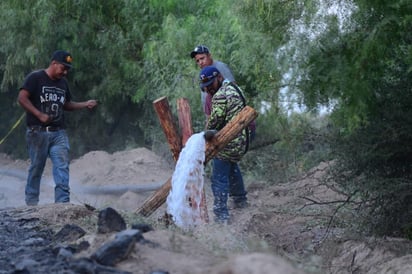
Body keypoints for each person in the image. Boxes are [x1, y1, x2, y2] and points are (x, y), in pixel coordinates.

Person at [17, 50, 98, 206]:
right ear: (54, 64)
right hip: (37, 132)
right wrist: (39, 115)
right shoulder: (35, 78)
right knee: (36, 168)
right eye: (63, 68)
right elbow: (22, 98)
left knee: (62, 166)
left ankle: (62, 204)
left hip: (58, 133)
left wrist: (84, 104)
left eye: (68, 69)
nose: (65, 72)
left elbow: (66, 104)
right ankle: (31, 204)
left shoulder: (63, 83)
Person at [199, 66, 249, 224]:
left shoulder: (220, 95)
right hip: (241, 140)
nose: (208, 89)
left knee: (218, 177)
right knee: (232, 168)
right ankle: (241, 200)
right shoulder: (235, 88)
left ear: (219, 77)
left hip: (229, 142)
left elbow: (215, 120)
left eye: (210, 85)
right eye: (205, 87)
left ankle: (221, 215)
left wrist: (206, 134)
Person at [190, 45, 256, 139]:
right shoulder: (203, 76)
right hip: (217, 121)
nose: (200, 62)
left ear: (209, 56)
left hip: (234, 124)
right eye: (197, 61)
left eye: (202, 58)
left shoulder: (220, 67)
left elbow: (233, 91)